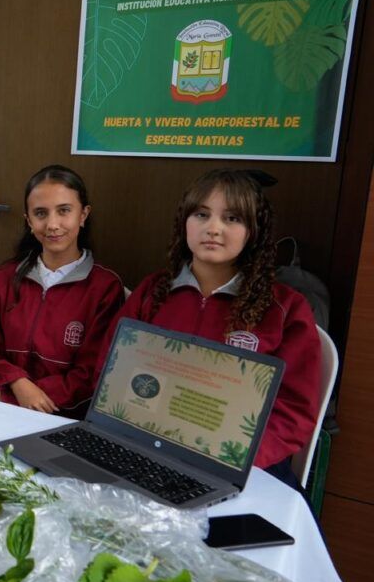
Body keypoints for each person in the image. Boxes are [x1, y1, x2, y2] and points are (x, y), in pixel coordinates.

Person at [107, 168, 320, 487]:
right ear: (185, 222)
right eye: (202, 214)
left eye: (232, 218)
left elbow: (293, 412)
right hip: (146, 449)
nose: (213, 228)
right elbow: (110, 370)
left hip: (241, 467)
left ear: (254, 230)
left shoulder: (285, 308)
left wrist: (236, 461)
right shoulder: (154, 291)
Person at [0, 165, 124, 417]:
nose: (52, 224)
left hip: (63, 416)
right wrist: (18, 384)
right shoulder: (6, 277)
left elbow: (90, 376)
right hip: (0, 402)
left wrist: (11, 397)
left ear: (83, 215)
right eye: (41, 213)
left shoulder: (105, 288)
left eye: (64, 211)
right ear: (29, 221)